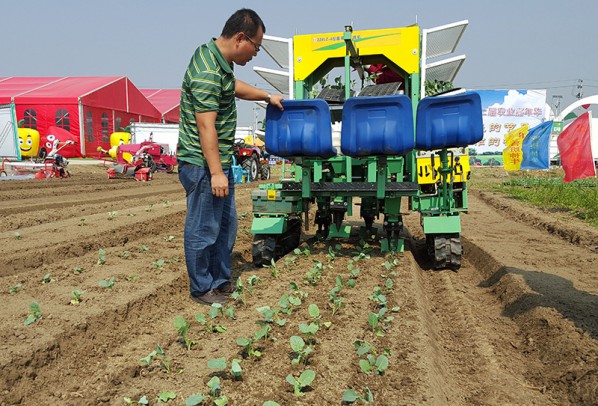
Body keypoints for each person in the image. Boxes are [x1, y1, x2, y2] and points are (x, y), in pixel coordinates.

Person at [177, 8, 284, 305]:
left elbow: (233, 87)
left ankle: (220, 282)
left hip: (217, 162)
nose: (255, 54)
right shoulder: (208, 71)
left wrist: (266, 95)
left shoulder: (219, 62)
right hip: (202, 164)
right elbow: (205, 126)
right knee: (203, 228)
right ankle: (202, 288)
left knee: (226, 226)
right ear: (240, 38)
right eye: (256, 47)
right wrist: (216, 173)